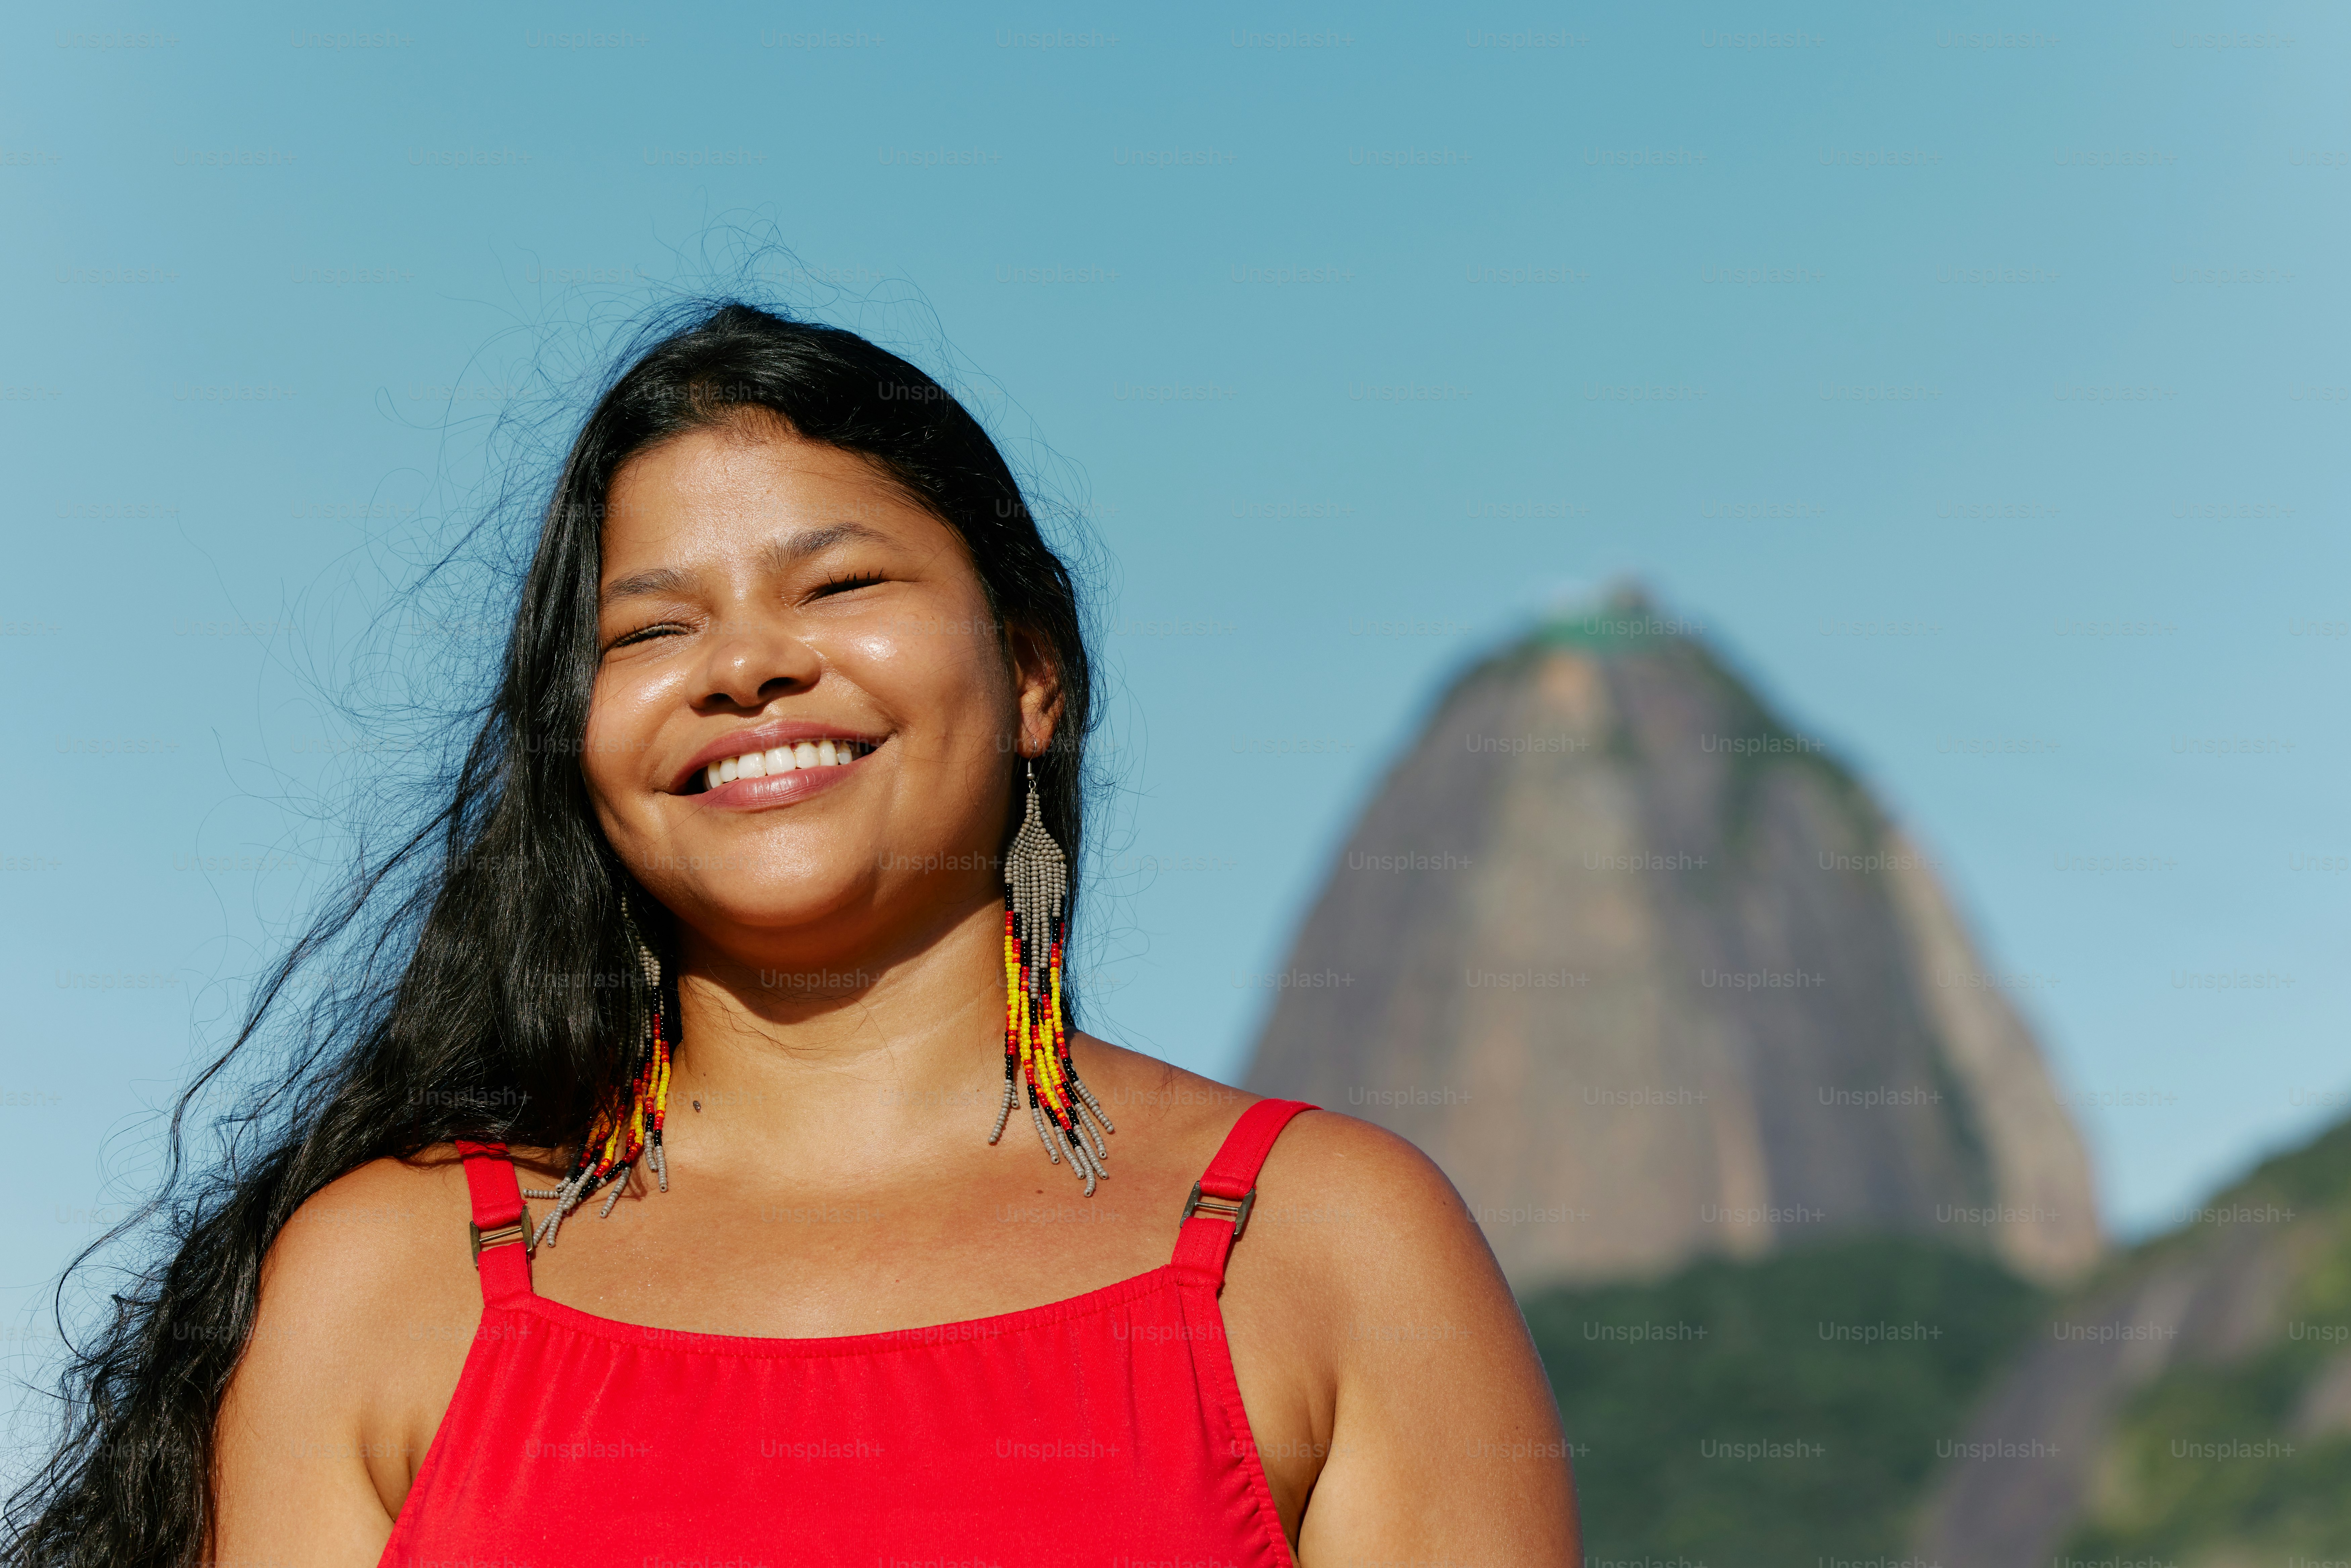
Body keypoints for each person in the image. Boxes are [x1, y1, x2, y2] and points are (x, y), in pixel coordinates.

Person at [6, 304, 1577, 1565]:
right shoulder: (385, 1277)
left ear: (1032, 674)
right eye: (652, 629)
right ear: (582, 737)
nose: (747, 666)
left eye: (837, 584)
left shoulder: (1322, 1247)